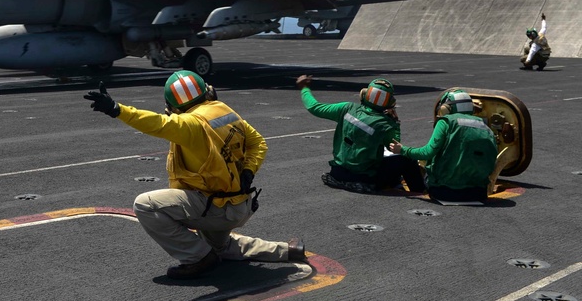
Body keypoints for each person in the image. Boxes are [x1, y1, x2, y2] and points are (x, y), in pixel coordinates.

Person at [84, 72, 306, 280]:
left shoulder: (190, 124)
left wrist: (117, 109)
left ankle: (199, 259)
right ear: (207, 92)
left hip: (215, 207)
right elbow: (258, 142)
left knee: (145, 205)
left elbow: (158, 124)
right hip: (239, 203)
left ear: (174, 106)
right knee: (221, 246)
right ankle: (287, 251)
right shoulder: (225, 111)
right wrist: (249, 170)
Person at [297, 75, 425, 194]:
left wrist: (305, 88)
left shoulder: (346, 108)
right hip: (364, 177)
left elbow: (314, 107)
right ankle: (420, 191)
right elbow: (395, 147)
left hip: (338, 172)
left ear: (364, 94)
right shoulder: (385, 124)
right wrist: (395, 123)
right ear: (390, 102)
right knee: (406, 159)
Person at [388, 89, 498, 203]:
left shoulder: (446, 122)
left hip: (445, 192)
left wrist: (403, 150)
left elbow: (428, 152)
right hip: (478, 194)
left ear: (447, 108)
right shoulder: (485, 127)